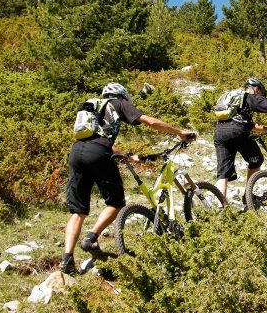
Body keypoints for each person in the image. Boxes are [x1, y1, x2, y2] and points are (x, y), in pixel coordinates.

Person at [60, 82, 195, 274]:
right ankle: (91, 237)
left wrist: (125, 156)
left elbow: (99, 137)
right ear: (122, 96)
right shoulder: (118, 103)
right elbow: (149, 121)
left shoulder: (93, 108)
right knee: (116, 203)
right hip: (98, 153)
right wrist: (179, 132)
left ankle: (67, 260)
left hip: (76, 152)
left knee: (78, 211)